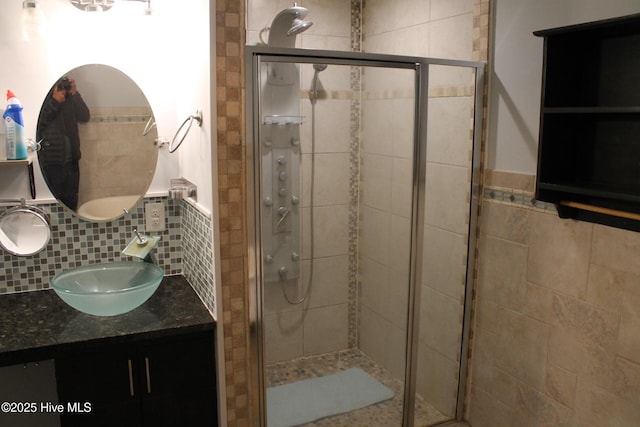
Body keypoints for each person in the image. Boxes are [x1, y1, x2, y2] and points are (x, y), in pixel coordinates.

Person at [37, 77, 90, 211]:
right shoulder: (42, 98)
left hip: (72, 162)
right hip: (51, 162)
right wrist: (55, 101)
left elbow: (85, 116)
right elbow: (38, 124)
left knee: (72, 204)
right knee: (53, 206)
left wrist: (74, 93)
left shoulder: (70, 97)